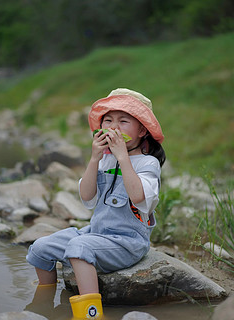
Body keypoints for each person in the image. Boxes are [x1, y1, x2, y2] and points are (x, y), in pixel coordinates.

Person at [26, 88, 165, 319]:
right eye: (108, 120)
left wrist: (123, 157)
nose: (113, 127)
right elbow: (87, 198)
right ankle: (43, 303)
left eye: (123, 121)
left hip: (127, 241)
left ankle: (91, 314)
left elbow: (139, 197)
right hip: (95, 233)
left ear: (142, 130)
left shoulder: (147, 163)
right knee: (40, 248)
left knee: (79, 249)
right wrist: (94, 159)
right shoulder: (105, 159)